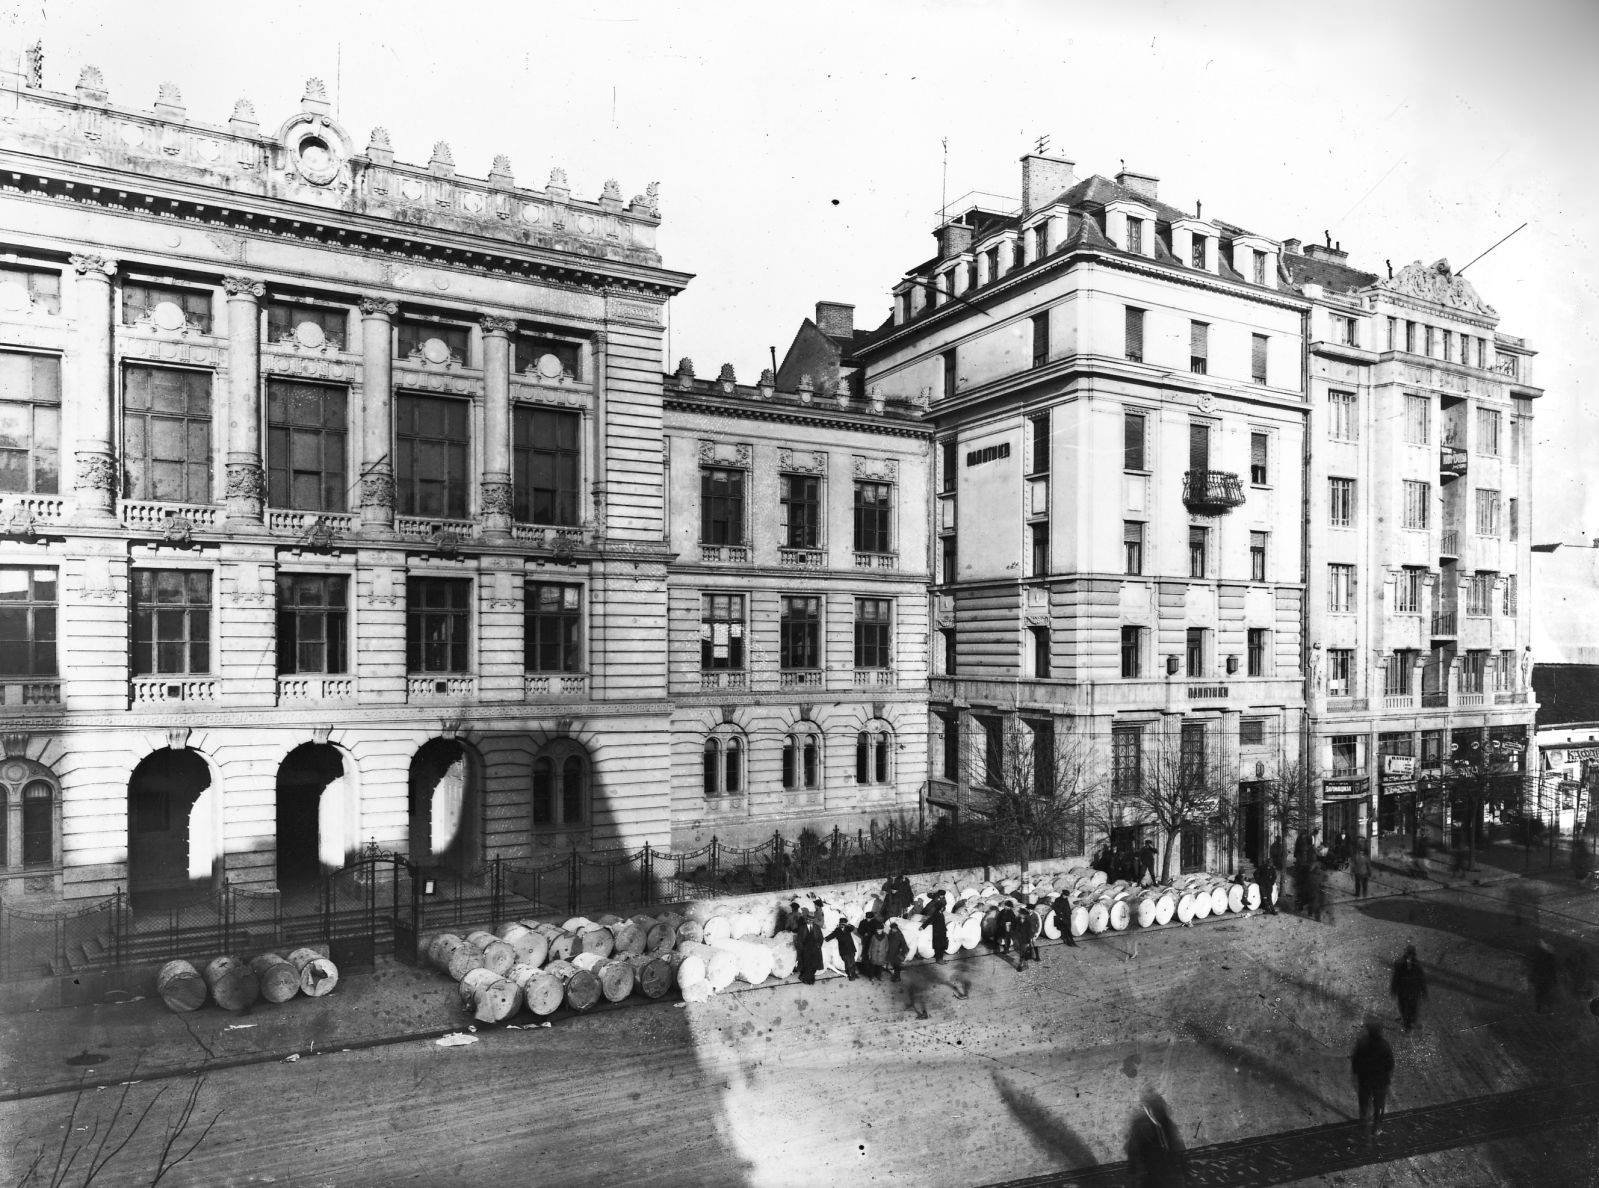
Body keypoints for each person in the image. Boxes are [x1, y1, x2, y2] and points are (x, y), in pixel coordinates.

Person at [1124, 1088, 1190, 1187]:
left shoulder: (1167, 1123)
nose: (1152, 1112)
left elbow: (1178, 1148)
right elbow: (1133, 1156)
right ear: (1146, 1109)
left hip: (1167, 1174)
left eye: (1156, 1108)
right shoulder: (1139, 1126)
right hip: (1150, 1175)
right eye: (1149, 1108)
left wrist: (1184, 1173)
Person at [1350, 1018, 1395, 1138]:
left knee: (1364, 1103)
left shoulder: (1362, 1043)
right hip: (1380, 1081)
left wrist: (1356, 1075)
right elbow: (1390, 1064)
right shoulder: (1385, 1045)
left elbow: (1355, 1061)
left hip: (1365, 1080)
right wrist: (1388, 1078)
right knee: (1379, 1105)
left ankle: (1363, 1123)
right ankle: (1377, 1127)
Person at [1390, 944, 1428, 1031]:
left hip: (1404, 990)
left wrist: (1393, 989)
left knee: (1405, 1006)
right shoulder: (1417, 965)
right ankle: (1409, 1022)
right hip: (1412, 991)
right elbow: (1421, 979)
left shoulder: (1399, 963)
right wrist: (1424, 991)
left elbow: (1395, 978)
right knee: (1411, 1007)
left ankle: (1407, 1023)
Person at [1530, 939, 1560, 1014]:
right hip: (1546, 981)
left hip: (1544, 981)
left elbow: (1539, 991)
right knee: (1548, 966)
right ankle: (1547, 950)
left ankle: (1545, 949)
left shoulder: (1541, 999)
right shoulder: (1546, 1000)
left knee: (1546, 965)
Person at [796, 914, 824, 985]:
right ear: (806, 920)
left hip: (815, 949)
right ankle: (808, 980)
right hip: (806, 949)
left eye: (811, 920)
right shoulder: (802, 928)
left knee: (814, 964)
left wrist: (819, 945)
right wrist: (801, 949)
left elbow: (821, 937)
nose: (809, 921)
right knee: (807, 964)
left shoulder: (817, 927)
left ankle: (809, 978)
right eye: (808, 919)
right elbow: (799, 939)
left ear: (813, 920)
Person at [856, 911, 884, 981]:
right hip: (866, 941)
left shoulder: (876, 922)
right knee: (866, 955)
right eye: (867, 918)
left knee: (875, 957)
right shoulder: (862, 922)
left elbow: (879, 931)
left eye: (869, 918)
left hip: (874, 941)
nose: (868, 919)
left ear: (872, 918)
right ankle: (866, 971)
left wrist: (871, 934)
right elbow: (859, 930)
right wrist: (863, 933)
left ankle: (876, 973)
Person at [883, 915, 911, 983]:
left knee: (897, 966)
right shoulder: (891, 933)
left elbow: (904, 944)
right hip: (891, 952)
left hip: (897, 954)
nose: (893, 930)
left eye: (894, 928)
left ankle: (897, 977)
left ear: (897, 928)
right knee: (894, 965)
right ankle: (895, 976)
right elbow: (888, 940)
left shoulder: (899, 935)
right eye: (892, 929)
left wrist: (901, 953)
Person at [926, 891, 949, 964]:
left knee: (943, 946)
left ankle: (941, 959)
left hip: (942, 931)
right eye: (943, 908)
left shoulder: (941, 913)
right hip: (938, 933)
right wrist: (923, 927)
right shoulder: (936, 914)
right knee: (939, 947)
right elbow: (929, 920)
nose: (944, 908)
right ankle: (939, 960)